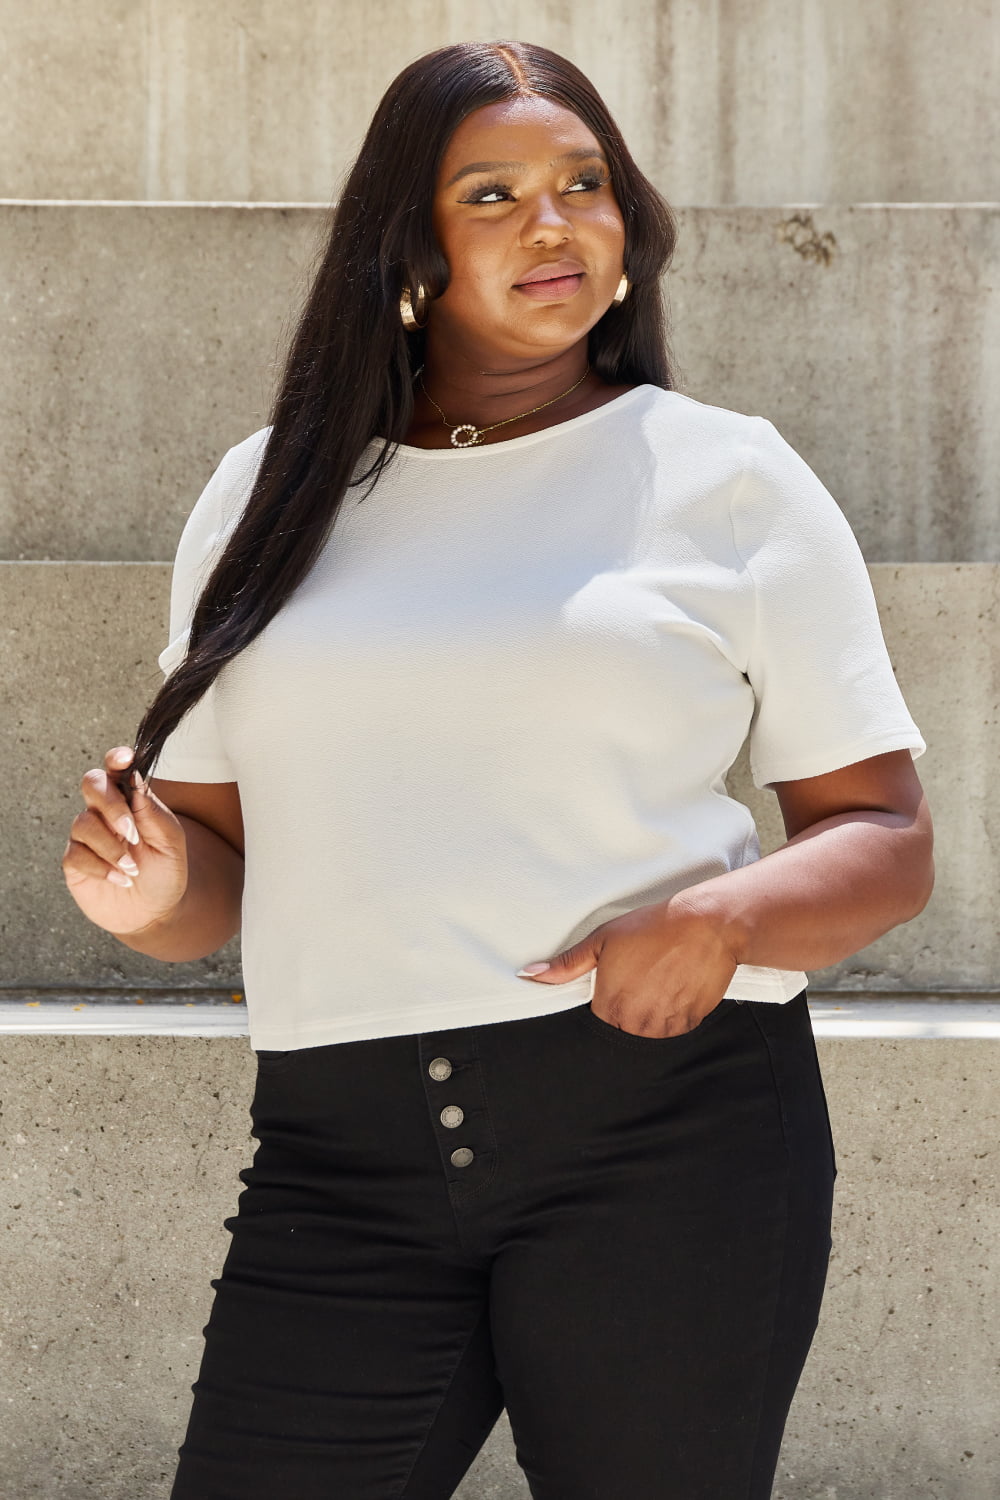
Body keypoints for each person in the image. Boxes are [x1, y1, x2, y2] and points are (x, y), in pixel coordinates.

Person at [61, 39, 933, 1500]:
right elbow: (211, 888)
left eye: (584, 185)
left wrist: (721, 920)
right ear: (408, 240)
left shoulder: (726, 476)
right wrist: (147, 892)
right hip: (338, 1157)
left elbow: (885, 836)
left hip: (669, 1138)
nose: (555, 223)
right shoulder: (266, 494)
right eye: (495, 194)